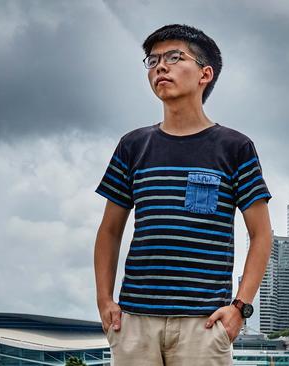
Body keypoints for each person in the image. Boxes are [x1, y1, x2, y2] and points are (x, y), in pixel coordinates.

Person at [93, 24, 272, 366]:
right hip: (135, 320)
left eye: (175, 57)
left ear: (206, 74)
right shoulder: (133, 146)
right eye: (153, 60)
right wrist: (104, 300)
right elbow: (110, 230)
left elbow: (261, 234)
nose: (161, 66)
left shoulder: (235, 148)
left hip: (203, 324)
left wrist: (240, 307)